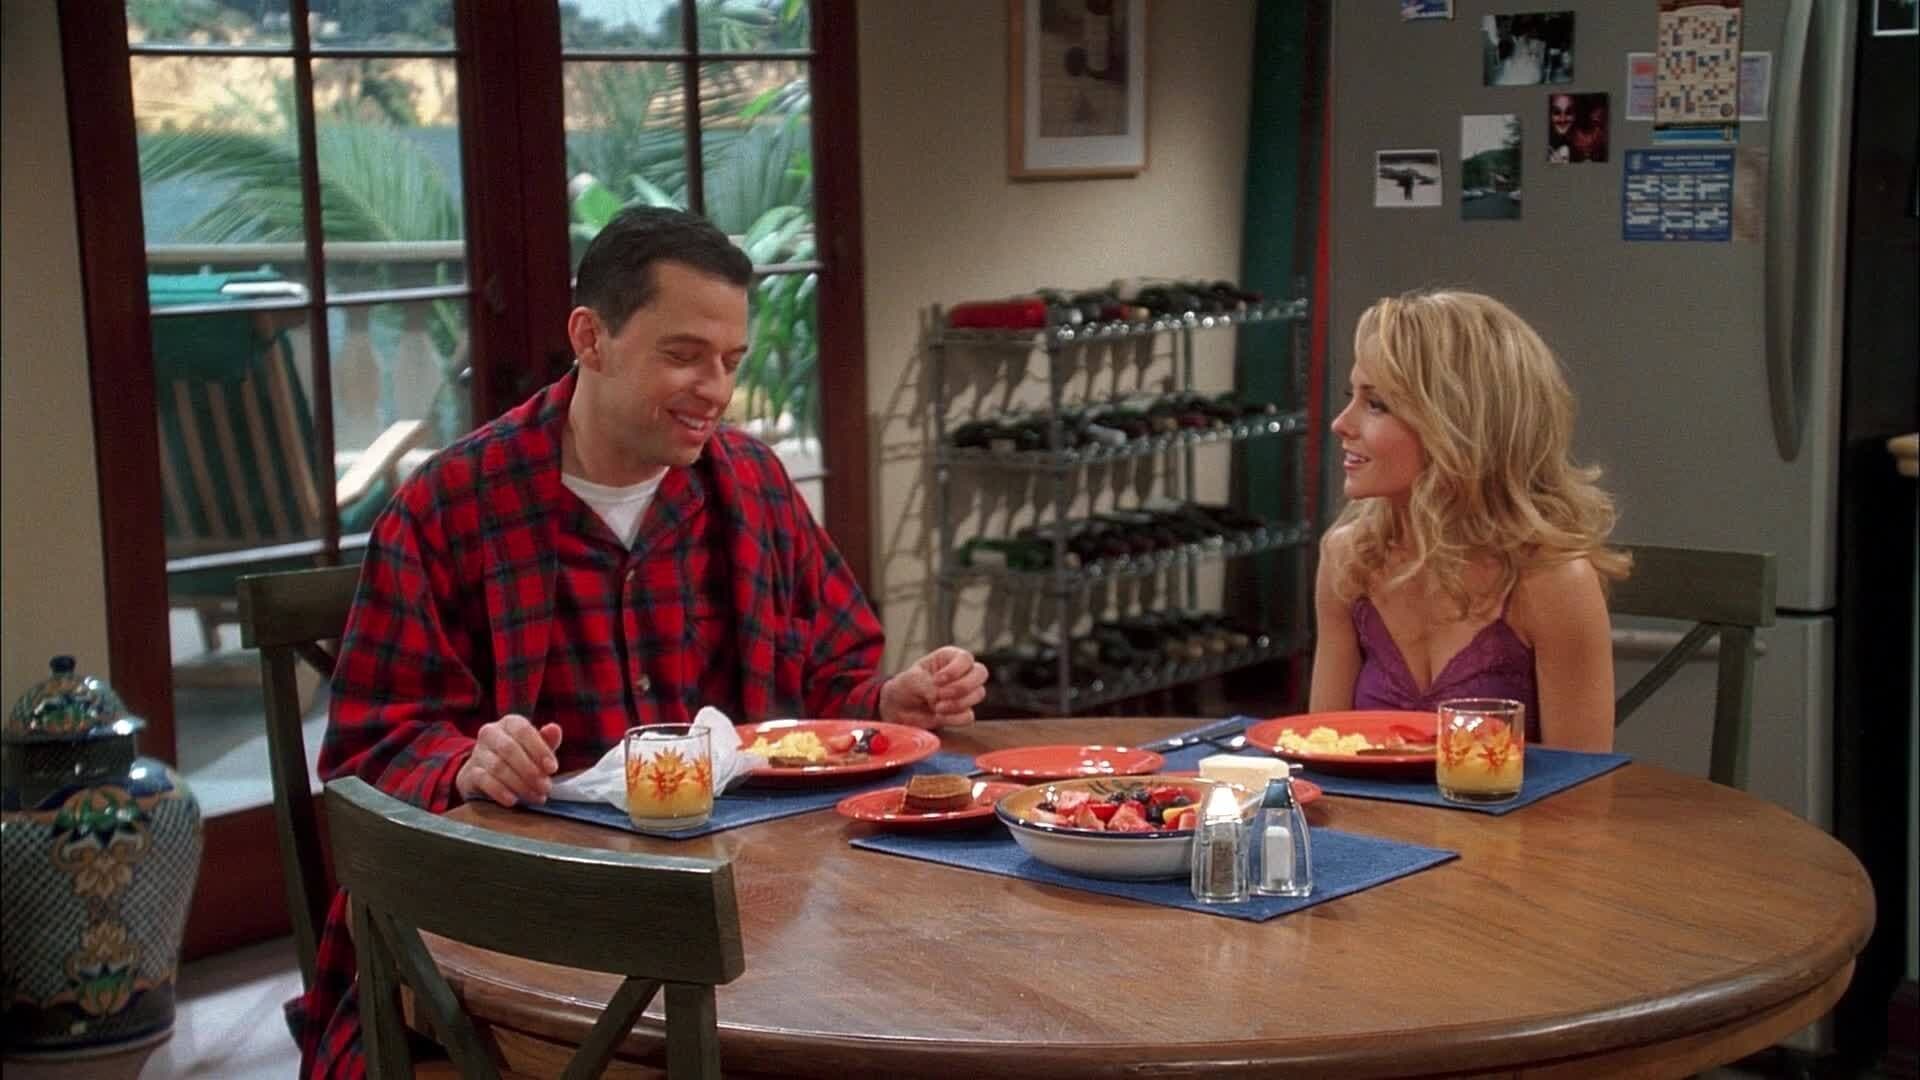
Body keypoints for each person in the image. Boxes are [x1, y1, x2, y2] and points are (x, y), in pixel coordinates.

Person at [290, 205, 990, 1076]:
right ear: (590, 337)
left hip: (746, 923)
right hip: (517, 936)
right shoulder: (449, 507)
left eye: (731, 360)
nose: (716, 390)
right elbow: (368, 757)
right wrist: (469, 761)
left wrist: (886, 702)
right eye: (684, 355)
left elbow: (825, 683)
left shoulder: (753, 487)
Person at [1308, 289, 1627, 751]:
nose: (1340, 423)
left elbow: (1584, 784)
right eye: (1350, 396)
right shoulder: (1348, 559)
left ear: (1456, 426)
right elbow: (1320, 751)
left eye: (1376, 404)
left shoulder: (1554, 580)